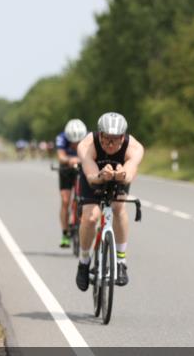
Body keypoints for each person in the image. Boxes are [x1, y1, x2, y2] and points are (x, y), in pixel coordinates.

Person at [74, 112, 145, 291]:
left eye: (116, 140)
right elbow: (90, 176)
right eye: (106, 139)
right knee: (90, 218)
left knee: (119, 207)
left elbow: (129, 173)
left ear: (123, 137)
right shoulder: (87, 144)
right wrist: (101, 175)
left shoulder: (134, 147)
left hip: (118, 178)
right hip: (94, 176)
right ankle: (84, 262)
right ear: (100, 135)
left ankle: (121, 261)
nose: (111, 144)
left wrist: (121, 175)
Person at [56, 119, 88, 247]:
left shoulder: (88, 137)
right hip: (67, 168)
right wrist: (70, 160)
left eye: (78, 142)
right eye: (72, 143)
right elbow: (61, 156)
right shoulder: (61, 137)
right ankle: (65, 233)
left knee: (86, 198)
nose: (75, 145)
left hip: (84, 167)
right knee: (65, 200)